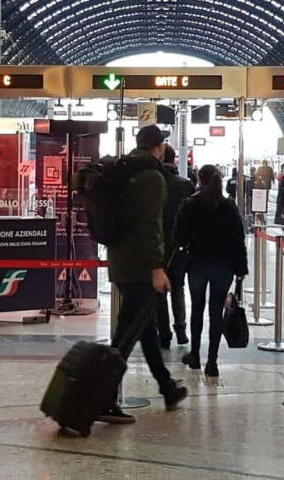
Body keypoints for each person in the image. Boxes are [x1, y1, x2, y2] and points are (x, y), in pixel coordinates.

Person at [101, 125, 189, 425]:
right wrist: (156, 268)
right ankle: (103, 398)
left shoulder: (124, 170)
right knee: (124, 339)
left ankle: (167, 388)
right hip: (140, 267)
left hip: (120, 261)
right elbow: (149, 226)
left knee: (145, 328)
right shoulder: (151, 176)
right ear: (159, 147)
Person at [175, 164, 248, 378]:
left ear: (199, 179)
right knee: (215, 312)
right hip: (223, 267)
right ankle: (212, 362)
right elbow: (238, 239)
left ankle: (195, 356)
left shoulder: (189, 204)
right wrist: (241, 268)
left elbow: (178, 235)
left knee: (197, 309)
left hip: (197, 264)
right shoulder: (228, 206)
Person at [157, 144, 194, 349]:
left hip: (158, 244)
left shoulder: (154, 182)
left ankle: (164, 334)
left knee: (159, 291)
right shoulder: (185, 184)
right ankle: (181, 330)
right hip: (180, 246)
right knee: (178, 287)